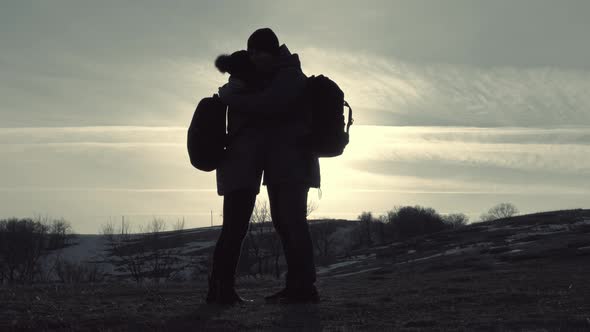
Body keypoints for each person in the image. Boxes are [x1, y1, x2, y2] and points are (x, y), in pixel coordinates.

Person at [206, 28, 321, 305]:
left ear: (272, 51)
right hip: (264, 165)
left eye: (260, 51)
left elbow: (269, 103)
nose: (256, 56)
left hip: (291, 163)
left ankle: (303, 287)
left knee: (291, 224)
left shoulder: (288, 76)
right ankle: (223, 289)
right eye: (252, 52)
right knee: (271, 225)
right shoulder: (254, 78)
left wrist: (232, 95)